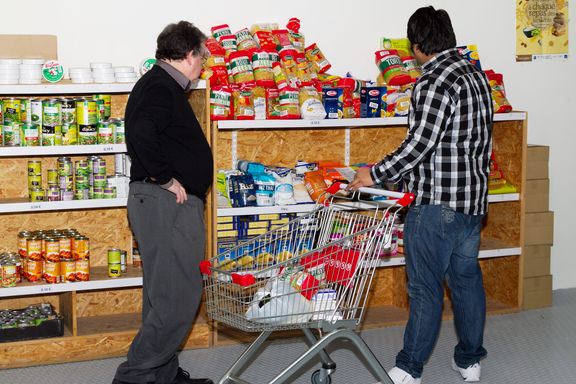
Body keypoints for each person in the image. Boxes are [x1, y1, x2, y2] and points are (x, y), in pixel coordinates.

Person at [348, 6, 493, 384]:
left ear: (416, 47)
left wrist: (373, 174)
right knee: (466, 282)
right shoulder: (474, 76)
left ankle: (409, 368)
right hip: (472, 203)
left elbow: (420, 144)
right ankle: (469, 361)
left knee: (425, 289)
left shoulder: (434, 81)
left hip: (436, 207)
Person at [113, 21, 214, 384]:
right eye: (202, 57)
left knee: (163, 295)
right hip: (165, 204)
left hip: (160, 204)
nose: (203, 65)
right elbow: (141, 131)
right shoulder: (160, 86)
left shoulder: (160, 84)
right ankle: (134, 377)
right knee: (179, 297)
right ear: (188, 55)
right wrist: (167, 179)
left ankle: (163, 376)